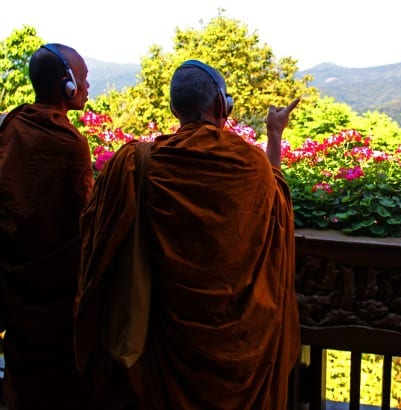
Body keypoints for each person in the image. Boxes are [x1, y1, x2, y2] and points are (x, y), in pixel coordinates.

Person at [75, 60, 301, 409]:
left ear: (173, 108)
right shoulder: (250, 166)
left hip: (165, 346)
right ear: (221, 106)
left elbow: (97, 234)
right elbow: (278, 201)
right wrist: (274, 134)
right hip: (240, 349)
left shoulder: (139, 165)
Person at [0, 43, 93, 408]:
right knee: (58, 379)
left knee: (23, 367)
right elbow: (83, 214)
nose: (87, 86)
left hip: (14, 273)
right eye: (82, 79)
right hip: (56, 283)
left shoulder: (12, 124)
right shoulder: (69, 143)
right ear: (66, 86)